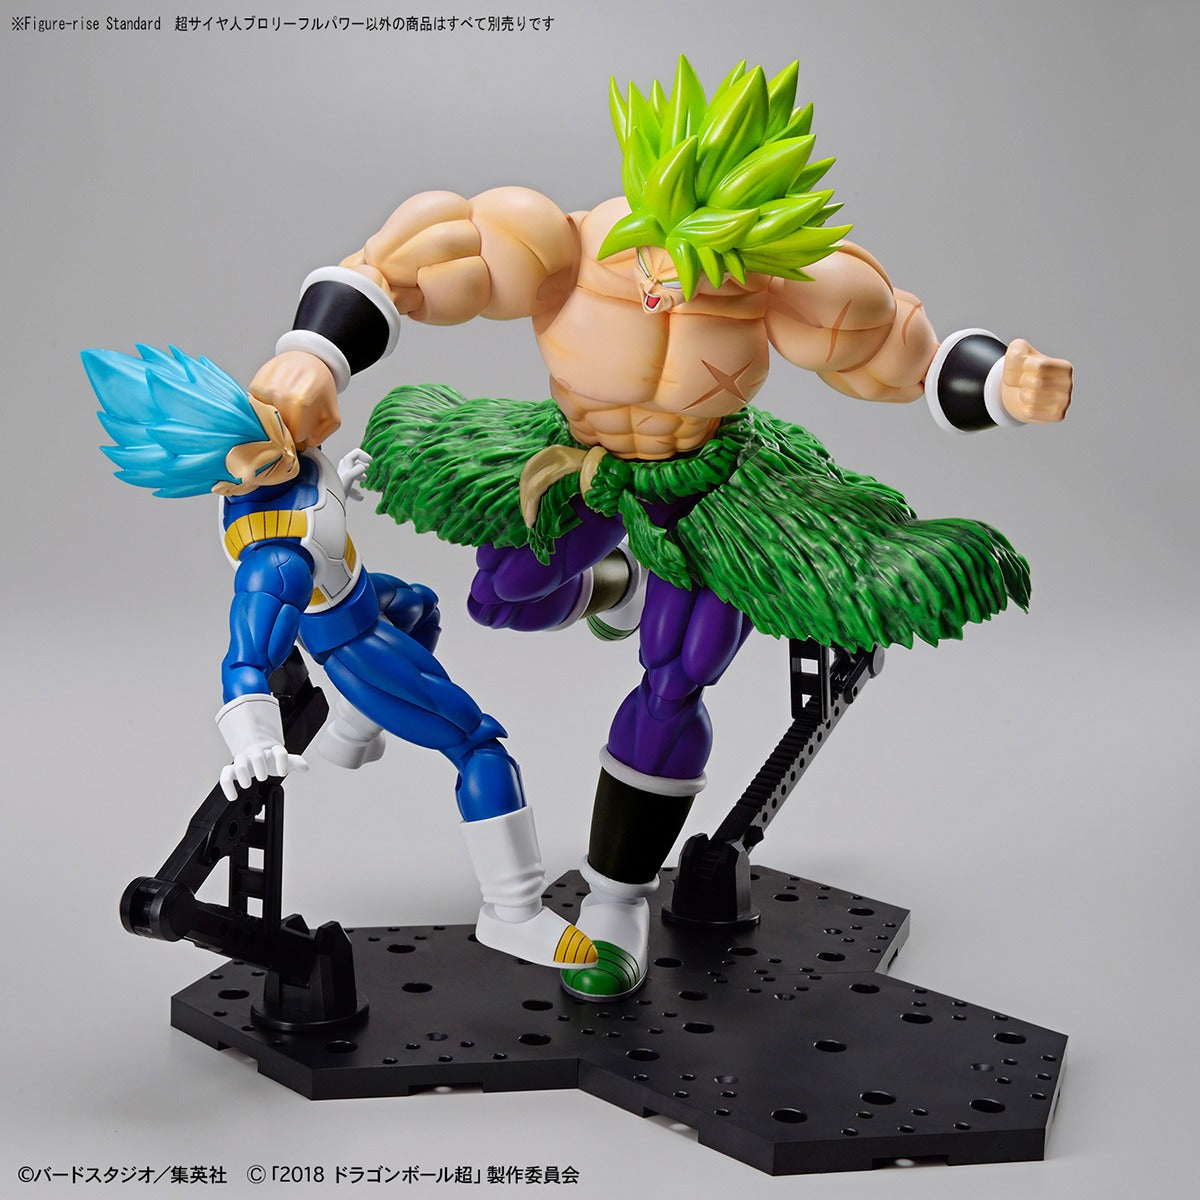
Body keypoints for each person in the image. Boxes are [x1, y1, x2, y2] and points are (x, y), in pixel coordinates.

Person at [243, 57, 1072, 999]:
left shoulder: (789, 283)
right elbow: (404, 265)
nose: (681, 289)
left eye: (715, 274)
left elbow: (904, 356)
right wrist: (313, 356)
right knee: (500, 597)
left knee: (676, 676)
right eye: (667, 263)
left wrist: (1001, 384)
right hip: (579, 457)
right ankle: (619, 586)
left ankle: (618, 896)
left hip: (705, 486)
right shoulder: (560, 245)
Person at [83, 344, 597, 972]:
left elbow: (306, 469)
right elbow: (245, 660)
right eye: (280, 443)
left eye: (298, 432)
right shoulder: (276, 561)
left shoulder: (283, 451)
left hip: (362, 592)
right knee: (478, 745)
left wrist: (336, 487)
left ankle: (353, 729)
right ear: (237, 468)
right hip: (349, 641)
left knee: (422, 609)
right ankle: (512, 913)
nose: (297, 442)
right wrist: (254, 741)